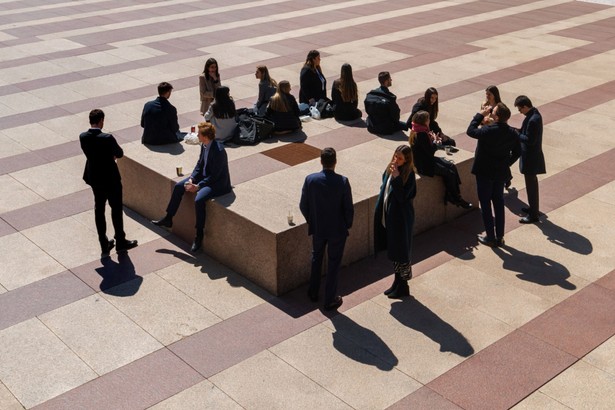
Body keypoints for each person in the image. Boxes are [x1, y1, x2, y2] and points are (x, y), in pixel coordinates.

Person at [152, 122, 232, 253]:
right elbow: (200, 164)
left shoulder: (219, 151)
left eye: (199, 134)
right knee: (179, 186)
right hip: (203, 177)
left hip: (216, 183)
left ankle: (199, 235)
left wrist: (198, 186)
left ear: (205, 136)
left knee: (199, 200)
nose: (197, 135)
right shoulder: (204, 145)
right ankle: (168, 218)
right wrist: (192, 178)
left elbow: (215, 176)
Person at [300, 147, 354, 311]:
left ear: (321, 161)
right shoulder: (343, 181)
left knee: (316, 258)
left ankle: (313, 292)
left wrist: (312, 221)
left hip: (318, 228)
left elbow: (303, 205)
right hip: (337, 230)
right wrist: (347, 224)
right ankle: (330, 299)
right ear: (335, 162)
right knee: (333, 263)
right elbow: (348, 209)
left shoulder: (310, 180)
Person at [79, 109, 138, 254]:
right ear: (101, 121)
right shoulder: (107, 138)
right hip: (110, 178)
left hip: (94, 177)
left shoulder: (83, 136)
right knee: (116, 209)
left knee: (99, 209)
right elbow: (120, 153)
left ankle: (103, 243)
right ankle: (120, 241)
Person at [466, 102, 521, 247]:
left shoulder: (488, 130)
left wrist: (480, 115)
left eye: (493, 111)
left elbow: (470, 131)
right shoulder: (512, 133)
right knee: (498, 202)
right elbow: (518, 152)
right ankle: (500, 236)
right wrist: (506, 163)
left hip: (484, 172)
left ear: (496, 117)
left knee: (485, 203)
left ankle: (490, 236)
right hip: (500, 173)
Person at [373, 145, 416, 299]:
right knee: (394, 251)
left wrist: (397, 178)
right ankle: (397, 282)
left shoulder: (408, 175)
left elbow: (403, 198)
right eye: (395, 156)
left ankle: (403, 285)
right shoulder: (390, 170)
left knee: (401, 252)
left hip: (401, 221)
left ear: (406, 160)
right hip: (390, 218)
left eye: (400, 158)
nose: (396, 160)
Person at [410, 110, 472, 208]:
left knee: (451, 165)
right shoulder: (421, 134)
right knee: (449, 172)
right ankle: (456, 198)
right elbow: (430, 151)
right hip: (424, 165)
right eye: (428, 119)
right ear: (424, 121)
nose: (429, 121)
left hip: (426, 160)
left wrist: (433, 140)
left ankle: (453, 194)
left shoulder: (417, 130)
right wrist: (435, 142)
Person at [514, 95, 546, 224]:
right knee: (531, 185)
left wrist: (517, 134)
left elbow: (529, 140)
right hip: (531, 157)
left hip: (531, 158)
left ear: (525, 106)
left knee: (531, 186)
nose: (519, 112)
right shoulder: (533, 115)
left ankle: (533, 215)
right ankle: (533, 209)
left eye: (520, 109)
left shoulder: (533, 119)